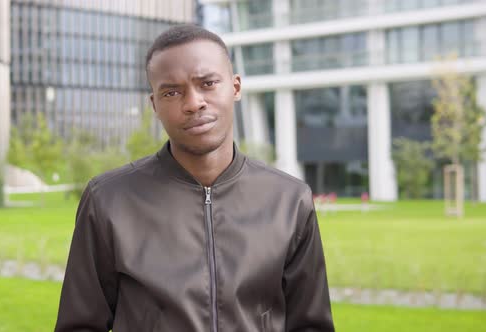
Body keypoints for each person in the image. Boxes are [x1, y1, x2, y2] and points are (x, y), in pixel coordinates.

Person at [54, 24, 334, 332]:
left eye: (208, 83)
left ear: (236, 87)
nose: (193, 103)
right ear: (154, 105)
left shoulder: (289, 200)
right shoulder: (108, 200)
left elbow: (311, 325)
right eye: (171, 92)